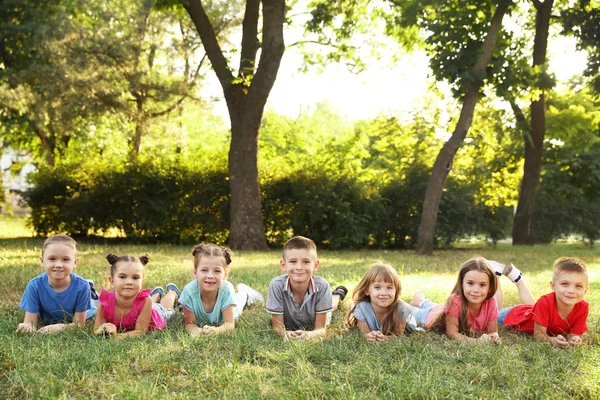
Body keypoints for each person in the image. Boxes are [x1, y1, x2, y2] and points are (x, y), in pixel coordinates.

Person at [266, 236, 348, 340]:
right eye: (293, 261)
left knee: (333, 305)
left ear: (316, 265)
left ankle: (338, 293)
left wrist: (310, 335)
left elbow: (321, 329)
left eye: (306, 262)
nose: (299, 267)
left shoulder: (322, 286)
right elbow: (277, 328)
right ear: (283, 265)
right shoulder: (276, 285)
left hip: (318, 311)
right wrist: (285, 333)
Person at [496, 257, 589, 348]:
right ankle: (495, 274)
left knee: (533, 307)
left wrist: (575, 340)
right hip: (512, 315)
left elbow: (575, 335)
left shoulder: (583, 307)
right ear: (553, 286)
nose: (571, 290)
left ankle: (517, 277)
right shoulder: (544, 302)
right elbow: (539, 336)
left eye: (578, 286)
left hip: (531, 310)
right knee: (492, 314)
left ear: (585, 290)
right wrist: (552, 340)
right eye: (564, 284)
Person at [17, 234, 97, 334]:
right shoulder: (34, 285)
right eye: (52, 259)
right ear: (42, 261)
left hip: (87, 305)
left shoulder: (82, 287)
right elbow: (30, 322)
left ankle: (92, 291)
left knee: (95, 303)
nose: (58, 265)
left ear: (75, 262)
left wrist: (59, 327)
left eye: (65, 259)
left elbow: (79, 325)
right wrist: (27, 326)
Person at [179, 242, 264, 336]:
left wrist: (217, 330)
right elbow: (189, 325)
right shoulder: (189, 292)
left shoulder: (226, 289)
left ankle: (245, 294)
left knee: (238, 306)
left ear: (225, 275)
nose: (210, 276)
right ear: (196, 273)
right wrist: (198, 331)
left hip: (226, 311)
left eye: (217, 271)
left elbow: (229, 324)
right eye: (204, 270)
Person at [408, 257, 500, 343]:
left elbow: (492, 331)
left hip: (441, 309)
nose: (475, 290)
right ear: (462, 283)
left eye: (482, 285)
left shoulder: (491, 301)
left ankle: (421, 301)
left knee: (435, 307)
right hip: (429, 316)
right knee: (407, 311)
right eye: (470, 283)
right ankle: (419, 301)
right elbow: (452, 333)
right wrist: (476, 341)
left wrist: (494, 336)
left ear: (490, 287)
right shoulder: (455, 301)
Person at [94, 254, 178, 339]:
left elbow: (140, 332)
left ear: (142, 282)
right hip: (144, 306)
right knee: (152, 303)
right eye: (122, 277)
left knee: (166, 310)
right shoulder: (105, 301)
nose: (129, 282)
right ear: (112, 281)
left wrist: (116, 336)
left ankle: (172, 293)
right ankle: (156, 295)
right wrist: (103, 329)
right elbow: (97, 329)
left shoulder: (146, 301)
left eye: (135, 278)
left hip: (155, 313)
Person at [346, 263, 415, 343]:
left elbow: (399, 336)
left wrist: (386, 339)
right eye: (377, 287)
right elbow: (365, 333)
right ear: (367, 290)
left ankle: (421, 301)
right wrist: (369, 337)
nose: (383, 293)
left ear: (396, 291)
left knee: (419, 313)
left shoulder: (401, 309)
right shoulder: (361, 308)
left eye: (389, 287)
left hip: (410, 320)